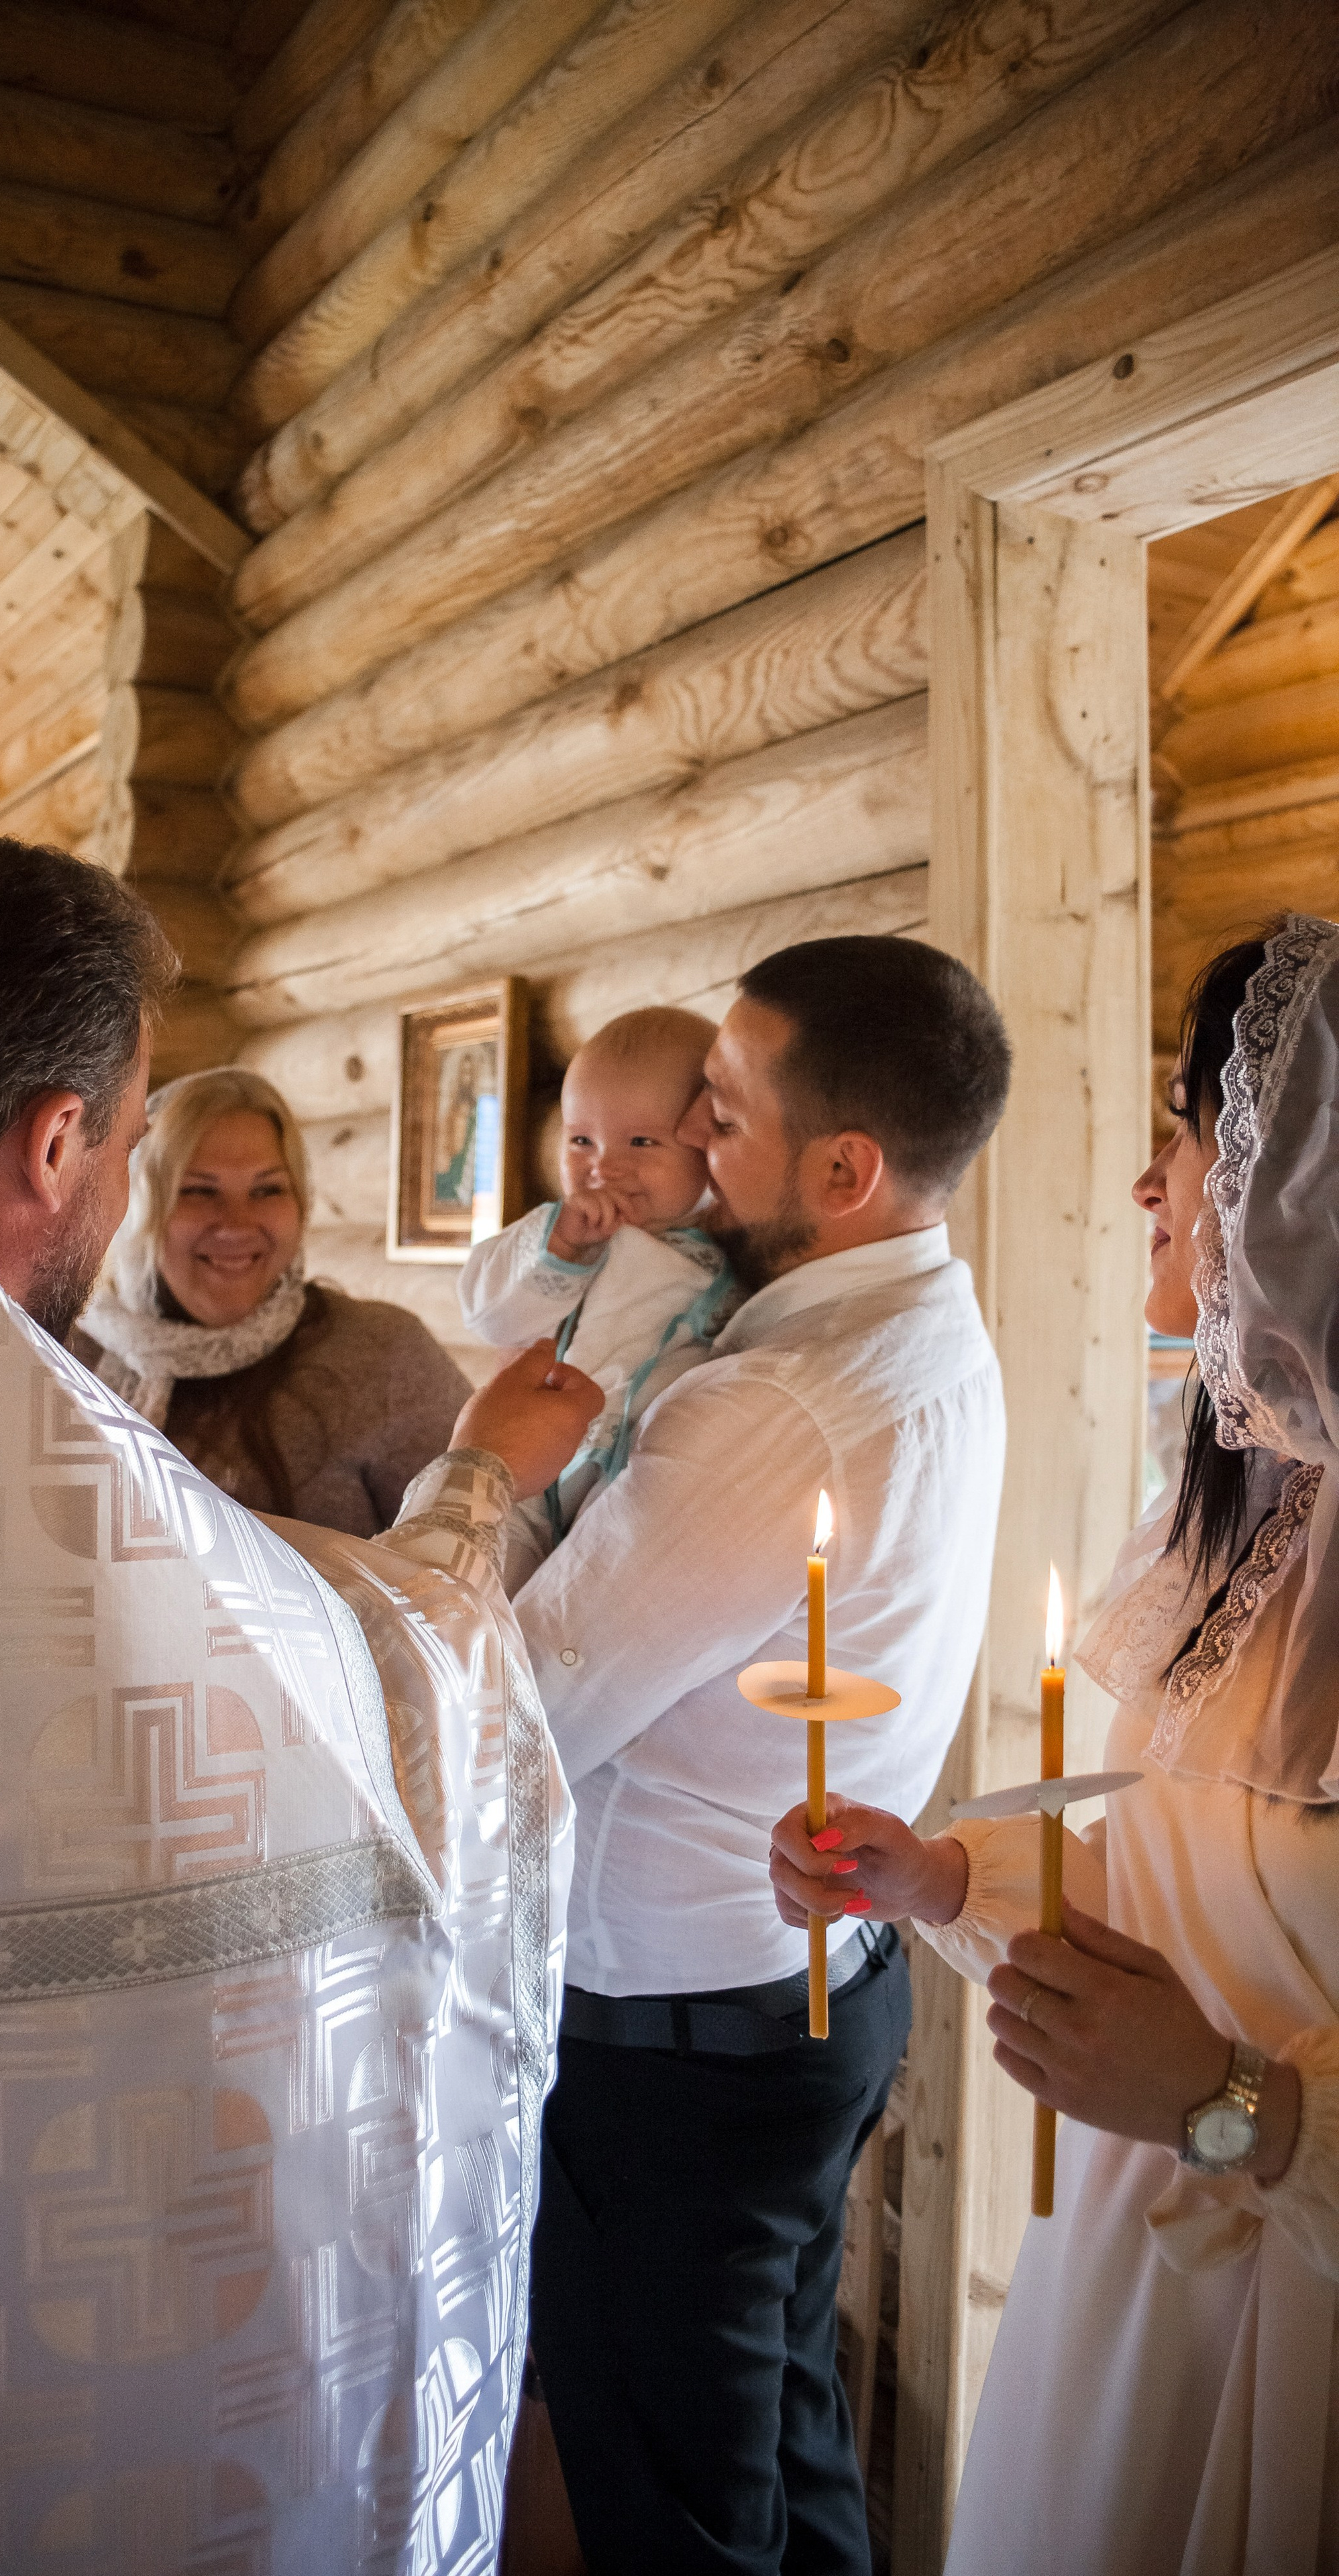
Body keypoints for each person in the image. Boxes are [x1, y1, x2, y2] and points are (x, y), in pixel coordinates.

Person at [0, 831, 604, 2576]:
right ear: (59, 1140)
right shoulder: (58, 1462)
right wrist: (476, 1488)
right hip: (1, 2354)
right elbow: (369, 1709)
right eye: (142, 1142)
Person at [390, 935, 1014, 2574]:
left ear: (841, 1166)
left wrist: (471, 1473)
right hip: (811, 1980)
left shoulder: (771, 1403)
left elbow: (510, 1704)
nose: (680, 1136)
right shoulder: (935, 1312)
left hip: (681, 2048)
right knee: (778, 2435)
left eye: (715, 1110)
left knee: (670, 2493)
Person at [770, 916, 1339, 2576]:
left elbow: (1223, 2047)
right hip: (1133, 2282)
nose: (1154, 1184)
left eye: (1188, 1125)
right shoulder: (1247, 1532)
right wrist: (937, 1870)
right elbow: (1177, 1902)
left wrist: (1240, 2110)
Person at [72, 1066, 470, 1538]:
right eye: (199, 1190)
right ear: (140, 1206)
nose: (237, 1224)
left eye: (267, 1190)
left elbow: (466, 1577)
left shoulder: (384, 1355)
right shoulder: (72, 1355)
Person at [458, 1008, 737, 1589]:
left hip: (639, 1482)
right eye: (581, 1139)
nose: (603, 1166)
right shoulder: (572, 1236)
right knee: (485, 1582)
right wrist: (559, 1250)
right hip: (540, 1467)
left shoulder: (736, 1250)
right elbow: (488, 1314)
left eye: (641, 1141)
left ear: (705, 1142)